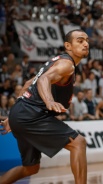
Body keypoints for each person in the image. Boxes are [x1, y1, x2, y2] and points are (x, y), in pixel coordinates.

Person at [0, 29, 89, 184]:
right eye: (80, 41)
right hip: (32, 115)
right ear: (68, 45)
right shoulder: (66, 64)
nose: (86, 44)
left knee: (31, 168)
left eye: (87, 40)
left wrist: (12, 115)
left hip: (21, 113)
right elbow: (43, 80)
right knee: (78, 142)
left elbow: (29, 83)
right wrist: (49, 101)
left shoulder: (57, 61)